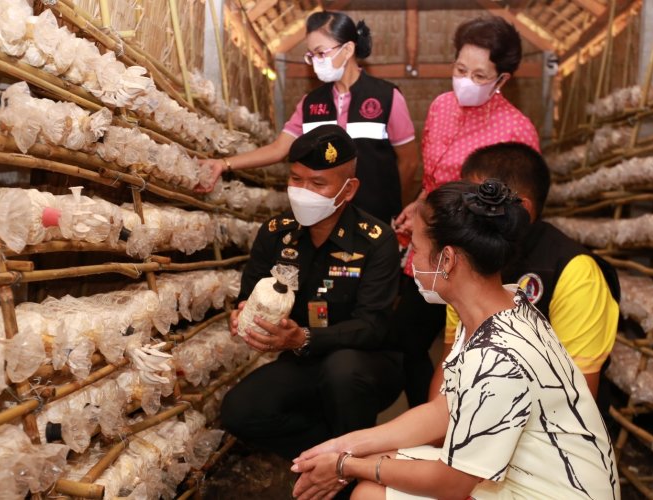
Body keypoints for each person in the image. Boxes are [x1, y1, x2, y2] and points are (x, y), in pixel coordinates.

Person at [290, 179, 620, 500]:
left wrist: (348, 466)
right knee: (383, 468)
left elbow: (452, 484)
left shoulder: (497, 356)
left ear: (446, 260)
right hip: (538, 475)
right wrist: (345, 447)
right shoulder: (501, 304)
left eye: (416, 249)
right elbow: (445, 410)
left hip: (556, 491)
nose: (412, 262)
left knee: (370, 493)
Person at [221, 125, 403, 461]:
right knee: (238, 412)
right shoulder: (276, 234)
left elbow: (372, 326)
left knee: (343, 371)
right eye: (296, 179)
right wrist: (244, 315)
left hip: (367, 364)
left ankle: (347, 476)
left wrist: (303, 337)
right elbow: (249, 292)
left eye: (318, 183)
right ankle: (330, 453)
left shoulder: (376, 241)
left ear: (348, 190)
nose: (303, 191)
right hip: (304, 361)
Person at [392, 15, 540, 407]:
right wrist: (418, 206)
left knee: (464, 349)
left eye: (479, 75)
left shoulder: (517, 131)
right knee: (406, 338)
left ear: (502, 79)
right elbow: (433, 178)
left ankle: (460, 425)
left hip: (473, 260)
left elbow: (518, 212)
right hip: (427, 250)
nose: (464, 81)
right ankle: (424, 420)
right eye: (460, 69)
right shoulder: (441, 106)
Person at [428, 142, 620, 401]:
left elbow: (577, 399)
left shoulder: (575, 271)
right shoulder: (465, 260)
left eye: (480, 203)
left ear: (523, 208)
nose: (464, 214)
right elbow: (450, 364)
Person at [197, 11, 419, 224]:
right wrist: (224, 164)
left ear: (348, 49)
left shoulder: (386, 96)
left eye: (321, 53)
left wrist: (393, 205)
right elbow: (278, 149)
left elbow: (409, 162)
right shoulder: (311, 103)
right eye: (311, 55)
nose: (315, 61)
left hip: (373, 216)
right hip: (324, 219)